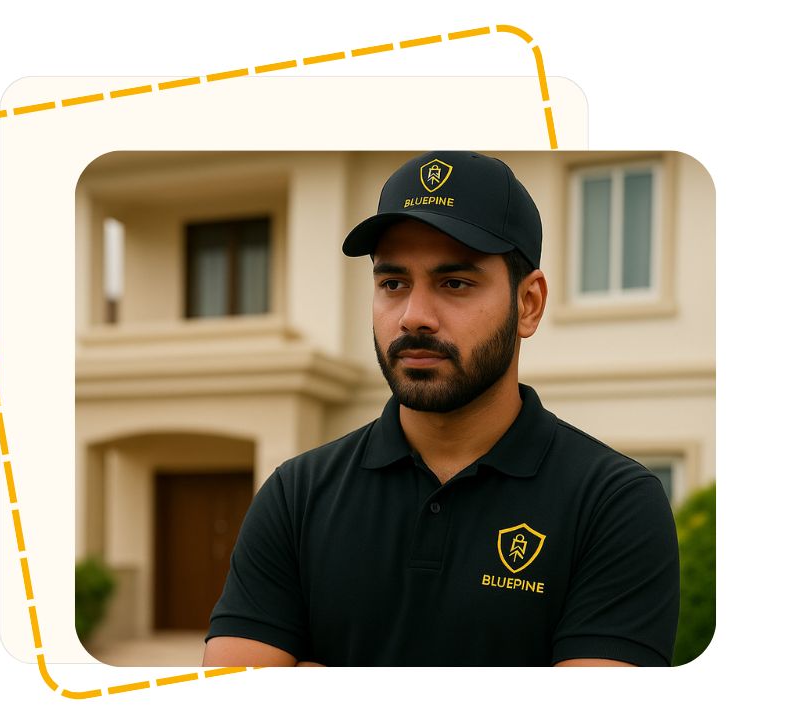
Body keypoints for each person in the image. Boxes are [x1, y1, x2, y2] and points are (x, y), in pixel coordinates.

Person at [201, 151, 680, 667]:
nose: (414, 317)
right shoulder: (296, 496)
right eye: (393, 284)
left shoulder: (614, 504)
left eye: (454, 283)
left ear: (529, 304)